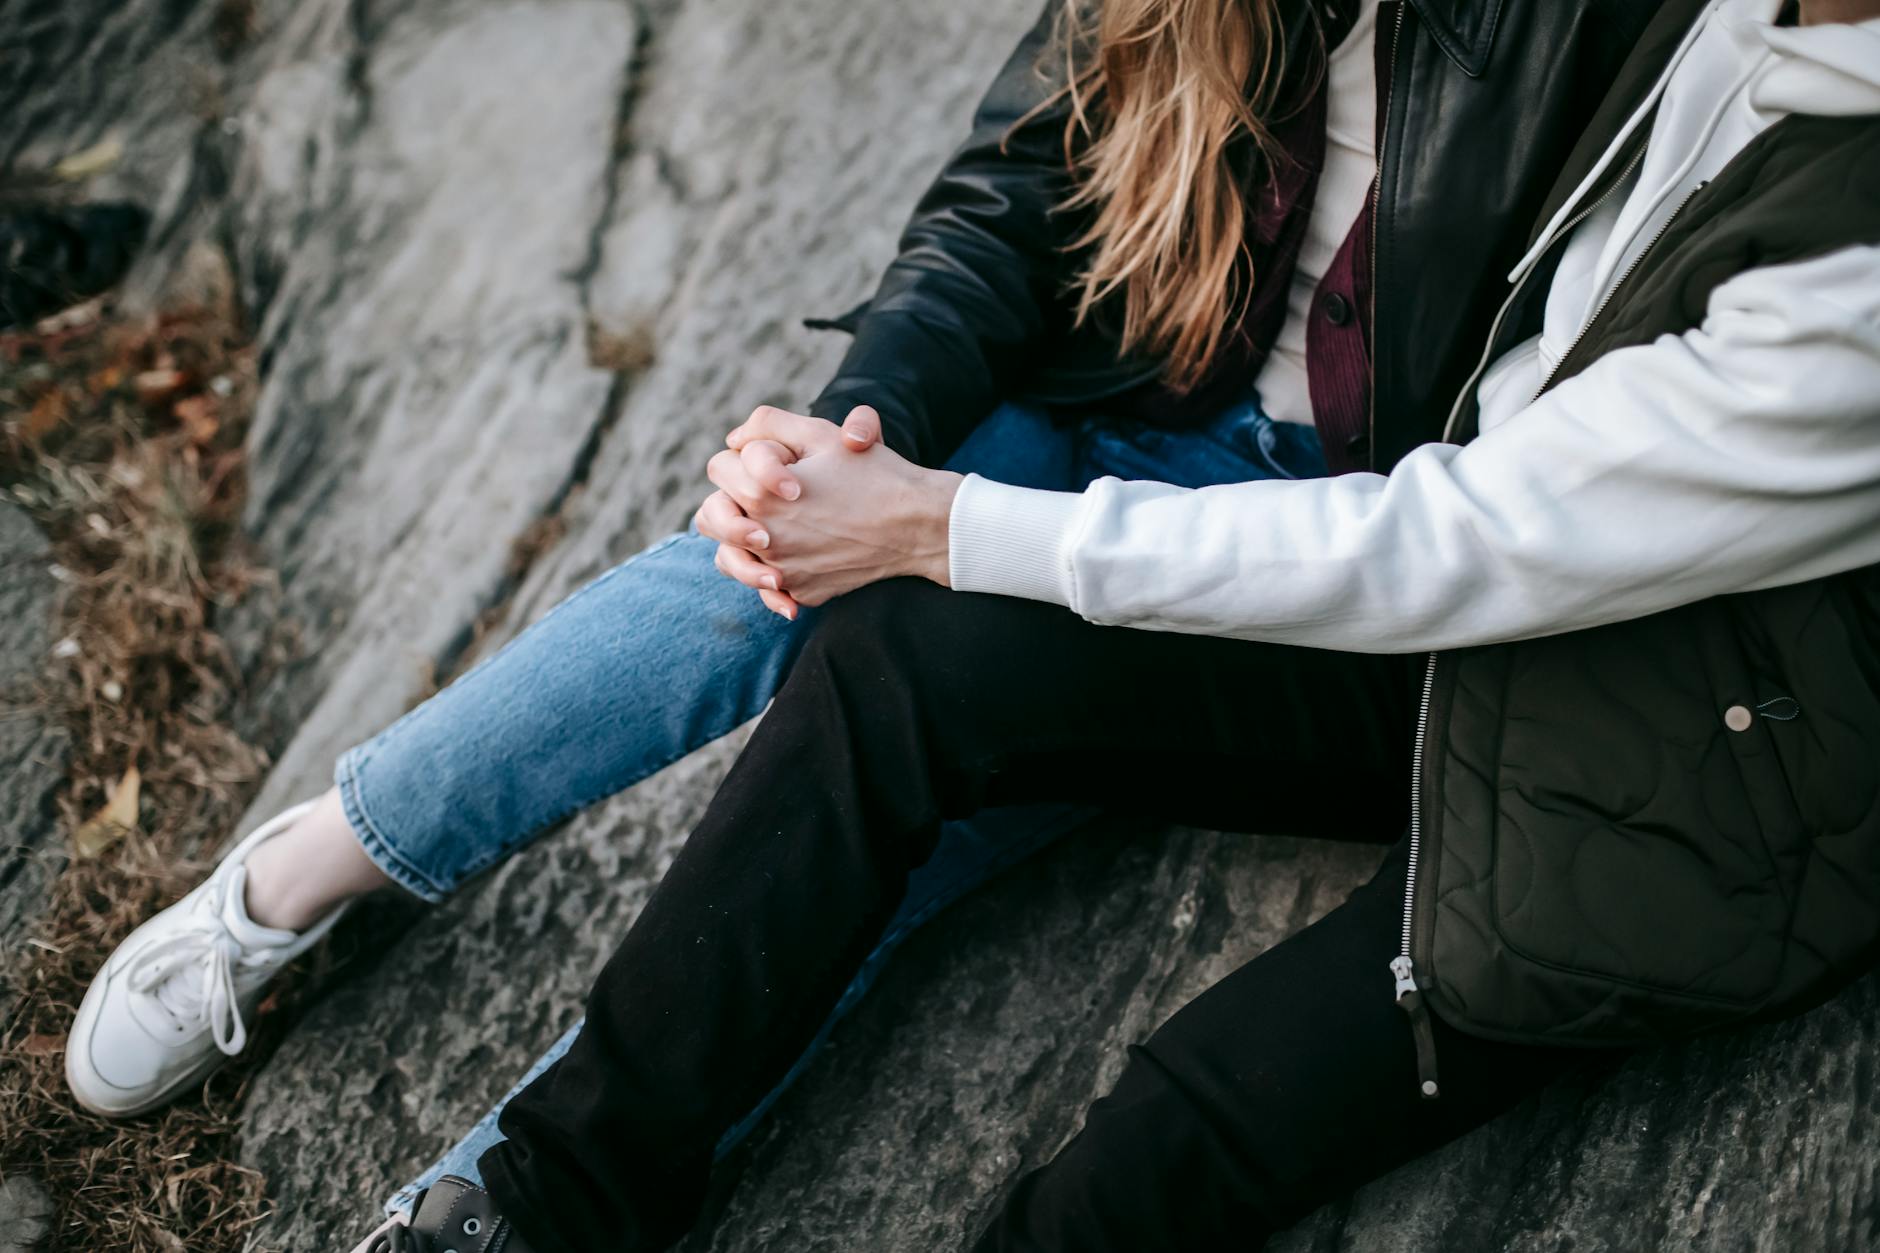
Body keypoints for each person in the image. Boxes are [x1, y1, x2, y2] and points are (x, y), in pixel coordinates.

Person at [68, 0, 1658, 1228]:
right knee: (744, 575)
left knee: (878, 799)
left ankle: (489, 1195)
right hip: (1111, 384)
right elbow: (1011, 195)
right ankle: (297, 874)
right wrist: (858, 429)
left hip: (1297, 525)